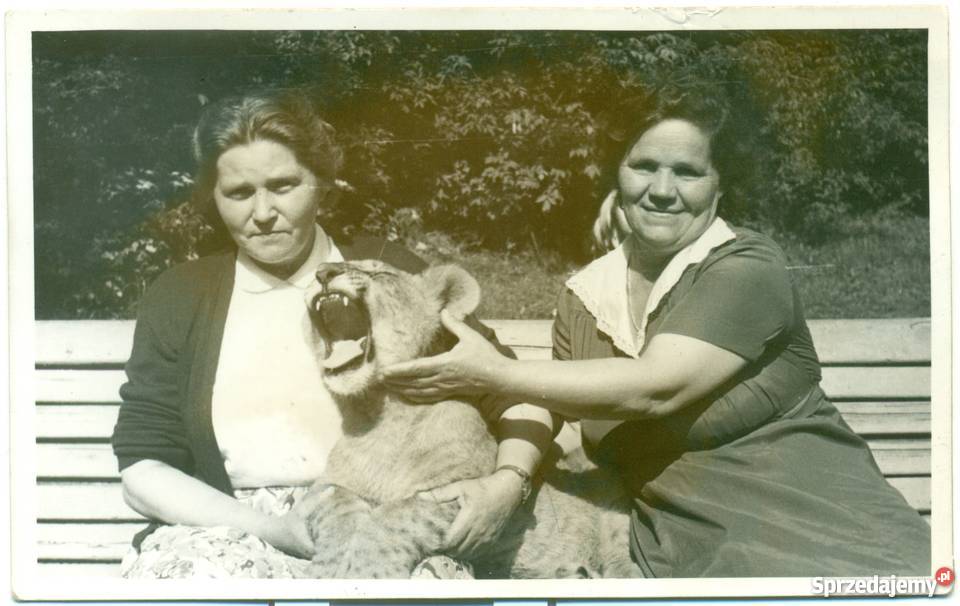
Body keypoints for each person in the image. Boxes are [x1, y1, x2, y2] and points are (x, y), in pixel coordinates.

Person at [381, 84, 931, 578]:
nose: (662, 190)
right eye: (644, 166)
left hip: (831, 538)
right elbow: (556, 412)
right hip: (681, 558)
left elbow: (654, 387)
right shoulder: (584, 298)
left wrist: (496, 372)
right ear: (617, 175)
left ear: (720, 187)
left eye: (687, 172)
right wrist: (508, 480)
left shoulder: (746, 267)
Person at [111, 90, 555, 579]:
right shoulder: (182, 295)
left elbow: (514, 390)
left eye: (283, 186)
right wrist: (274, 530)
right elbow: (143, 468)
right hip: (235, 527)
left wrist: (506, 485)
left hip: (386, 521)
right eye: (238, 193)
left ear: (321, 185)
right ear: (213, 199)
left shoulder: (387, 271)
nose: (263, 212)